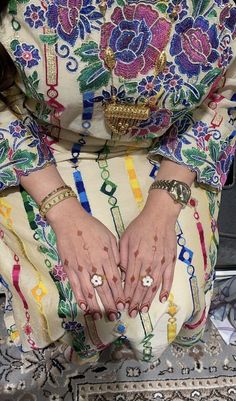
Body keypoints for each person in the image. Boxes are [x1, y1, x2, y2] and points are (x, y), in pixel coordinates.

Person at [0, 0, 235, 365]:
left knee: (161, 306)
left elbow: (224, 98)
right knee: (69, 303)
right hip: (39, 142)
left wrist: (162, 210)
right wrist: (62, 211)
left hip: (172, 145)